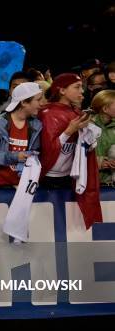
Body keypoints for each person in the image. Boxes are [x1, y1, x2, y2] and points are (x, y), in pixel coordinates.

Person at [38, 73, 102, 228]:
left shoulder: (77, 114)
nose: (82, 92)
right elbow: (47, 151)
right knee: (46, 225)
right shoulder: (47, 115)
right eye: (77, 87)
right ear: (62, 90)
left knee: (67, 226)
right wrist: (69, 131)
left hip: (69, 179)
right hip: (48, 180)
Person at [0, 82, 43, 187]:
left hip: (23, 187)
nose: (41, 104)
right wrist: (15, 156)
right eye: (38, 100)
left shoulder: (36, 126)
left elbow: (36, 156)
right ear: (24, 102)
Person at [91, 90, 115, 184]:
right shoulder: (87, 127)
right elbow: (78, 154)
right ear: (105, 109)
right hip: (89, 182)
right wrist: (100, 162)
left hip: (110, 182)